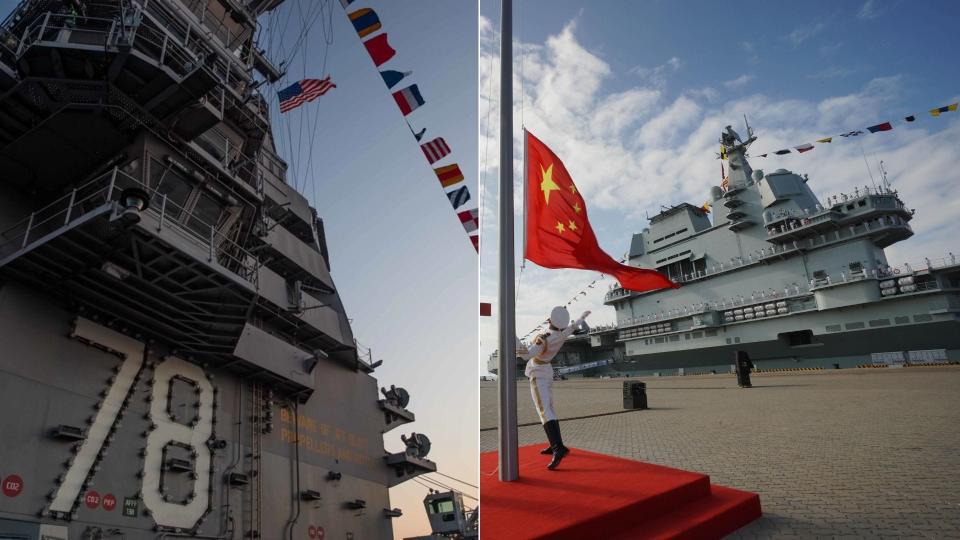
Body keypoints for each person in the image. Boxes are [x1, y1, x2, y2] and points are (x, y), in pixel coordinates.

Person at [517, 306, 590, 470]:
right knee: (550, 409)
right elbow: (573, 327)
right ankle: (557, 445)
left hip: (538, 374)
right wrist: (582, 317)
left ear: (550, 320)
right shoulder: (562, 333)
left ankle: (558, 449)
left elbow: (526, 355)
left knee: (544, 412)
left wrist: (512, 337)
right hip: (547, 372)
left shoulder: (544, 338)